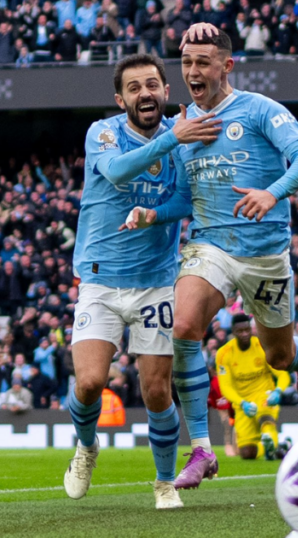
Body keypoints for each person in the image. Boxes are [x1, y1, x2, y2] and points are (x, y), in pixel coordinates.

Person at [123, 27, 298, 489]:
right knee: (184, 326)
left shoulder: (259, 110)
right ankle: (203, 450)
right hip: (209, 245)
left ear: (226, 66)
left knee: (277, 355)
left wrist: (271, 194)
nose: (193, 71)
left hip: (264, 254)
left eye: (203, 62)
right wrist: (153, 212)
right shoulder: (183, 125)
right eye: (186, 61)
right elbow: (185, 201)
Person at [64, 53, 220, 510]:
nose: (144, 93)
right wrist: (174, 137)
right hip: (100, 279)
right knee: (90, 382)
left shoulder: (185, 138)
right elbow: (116, 172)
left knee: (156, 390)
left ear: (165, 91)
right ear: (121, 98)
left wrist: (153, 212)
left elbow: (186, 201)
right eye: (134, 88)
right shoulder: (104, 132)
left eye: (152, 85)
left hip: (155, 282)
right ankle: (86, 447)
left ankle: (164, 482)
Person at [216, 314, 291, 460]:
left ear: (251, 329)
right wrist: (242, 403)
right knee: (247, 454)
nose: (244, 334)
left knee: (266, 418)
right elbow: (225, 386)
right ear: (233, 331)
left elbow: (283, 375)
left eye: (247, 330)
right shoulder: (223, 354)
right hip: (243, 402)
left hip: (264, 395)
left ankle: (269, 438)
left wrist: (277, 391)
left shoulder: (262, 346)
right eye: (240, 331)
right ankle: (273, 448)